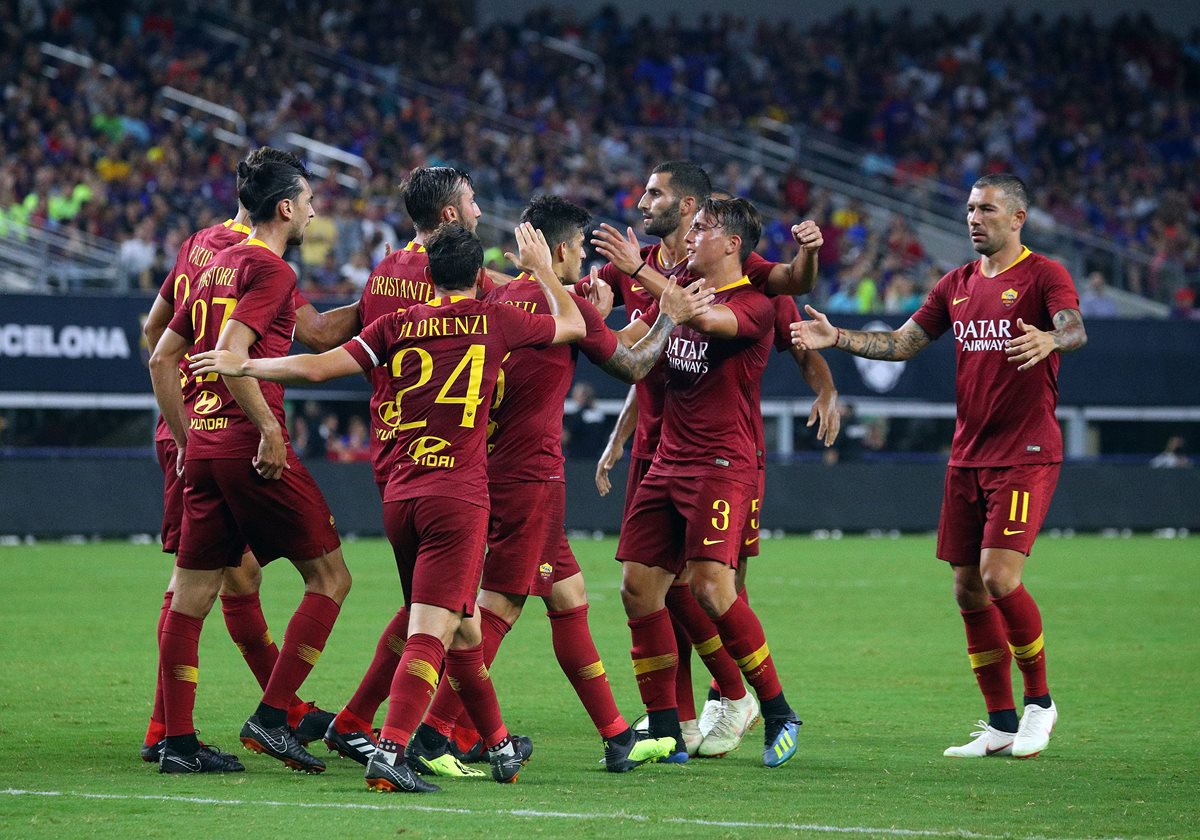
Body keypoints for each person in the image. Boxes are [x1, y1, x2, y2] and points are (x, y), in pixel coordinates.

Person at [192, 221, 586, 793]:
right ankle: (393, 751)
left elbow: (319, 364)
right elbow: (573, 323)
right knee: (432, 627)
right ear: (479, 277)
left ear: (427, 275)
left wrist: (248, 364)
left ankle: (499, 744)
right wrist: (541, 266)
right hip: (458, 497)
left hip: (400, 497)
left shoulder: (398, 323)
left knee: (463, 628)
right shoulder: (494, 319)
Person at [407, 195, 712, 776]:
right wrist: (671, 311)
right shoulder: (566, 305)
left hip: (493, 466)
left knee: (568, 596)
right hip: (531, 477)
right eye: (576, 251)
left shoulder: (499, 299)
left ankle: (617, 735)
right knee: (502, 602)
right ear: (564, 250)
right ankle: (432, 732)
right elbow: (635, 364)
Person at [793, 173, 1087, 759]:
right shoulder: (954, 284)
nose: (975, 218)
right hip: (968, 454)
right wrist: (838, 338)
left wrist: (1054, 342)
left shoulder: (1044, 274)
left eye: (987, 209)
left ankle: (1040, 705)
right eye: (971, 209)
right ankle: (1000, 722)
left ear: (1017, 218)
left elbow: (1074, 326)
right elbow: (901, 343)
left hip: (1025, 452)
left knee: (1001, 577)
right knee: (968, 588)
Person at [590, 163, 822, 759]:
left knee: (713, 588)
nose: (691, 236)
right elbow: (630, 352)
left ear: (732, 244)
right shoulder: (679, 292)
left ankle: (775, 709)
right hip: (665, 460)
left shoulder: (754, 305)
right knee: (640, 588)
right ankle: (667, 727)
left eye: (704, 229)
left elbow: (706, 318)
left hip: (723, 465)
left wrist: (641, 271)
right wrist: (578, 303)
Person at [148, 149, 351, 774]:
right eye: (310, 197)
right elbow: (248, 352)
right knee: (331, 578)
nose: (317, 207)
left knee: (199, 588)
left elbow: (159, 350)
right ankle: (273, 715)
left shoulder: (205, 254)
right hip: (245, 440)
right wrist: (266, 428)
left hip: (197, 439)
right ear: (286, 205)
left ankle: (174, 737)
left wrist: (185, 438)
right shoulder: (268, 269)